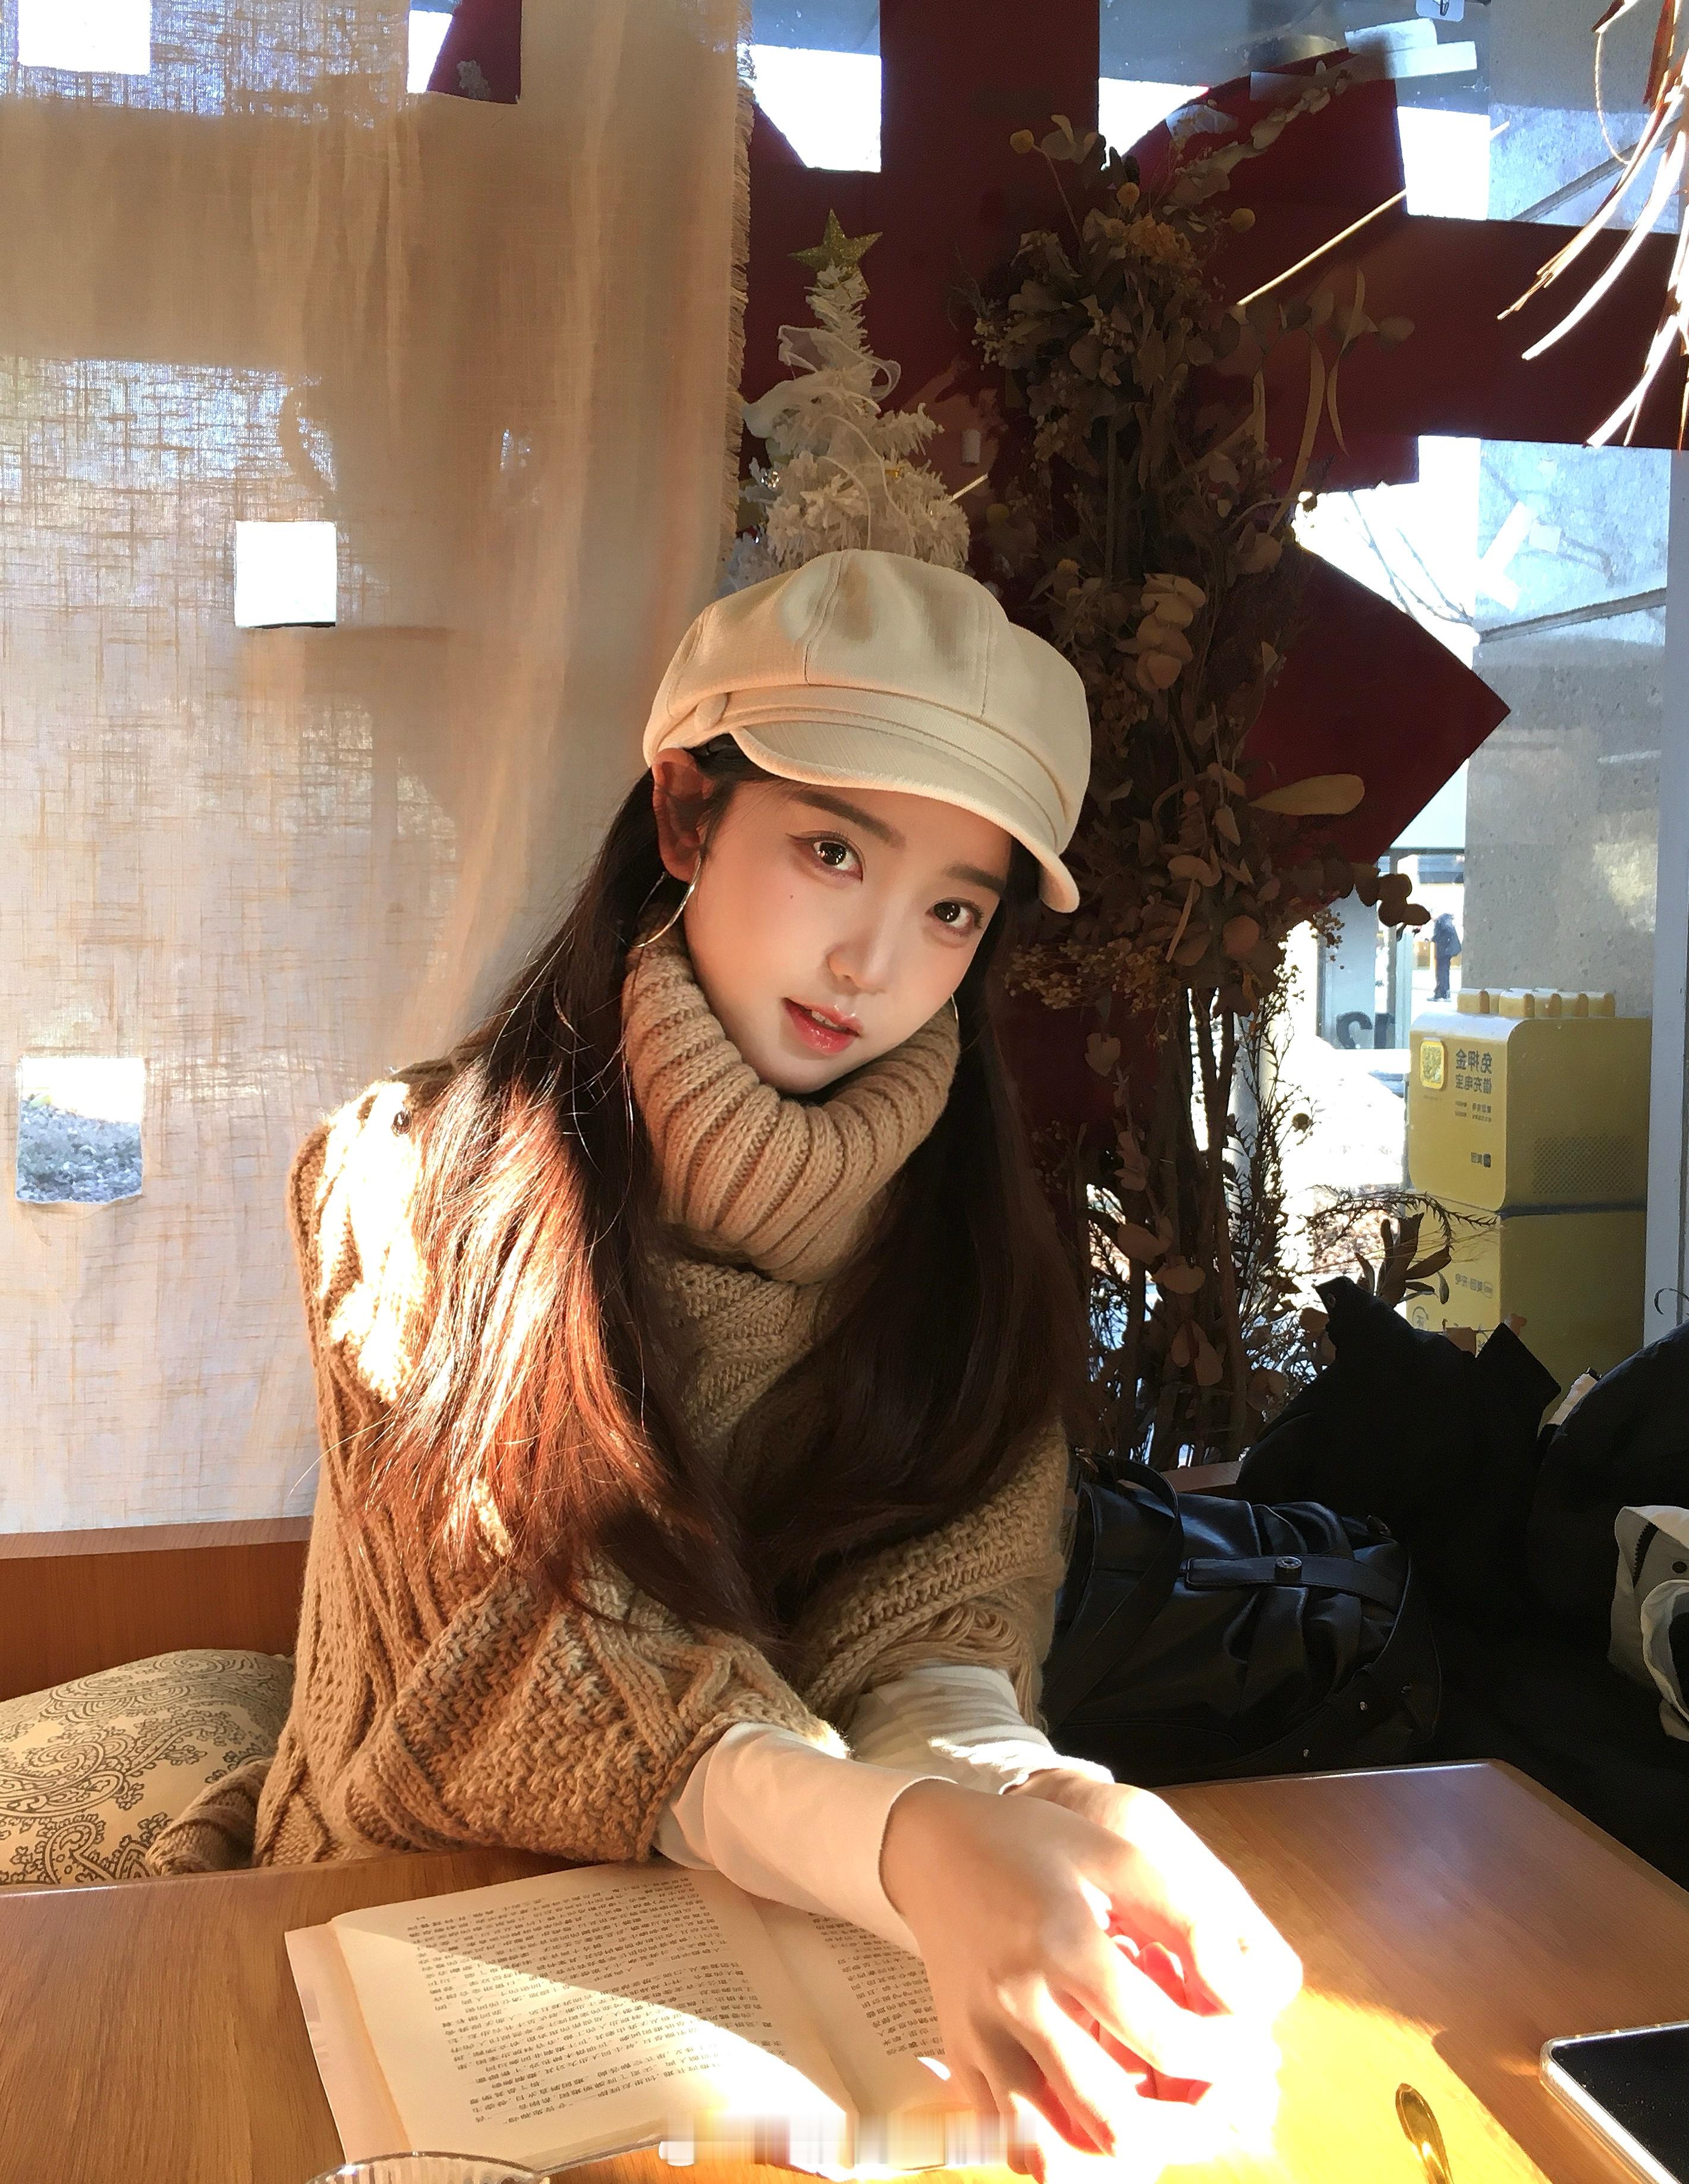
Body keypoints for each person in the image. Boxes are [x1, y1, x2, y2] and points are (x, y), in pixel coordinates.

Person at [150, 549, 1300, 2174]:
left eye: (952, 908)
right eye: (833, 851)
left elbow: (930, 1633)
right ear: (687, 816)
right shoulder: (402, 1183)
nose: (874, 962)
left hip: (776, 1931)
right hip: (410, 1918)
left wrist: (1021, 1799)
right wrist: (916, 1846)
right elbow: (533, 1669)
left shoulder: (970, 1249)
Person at [1432, 911, 1462, 1003]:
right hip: (1445, 951)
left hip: (1445, 951)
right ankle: (1442, 993)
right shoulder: (1444, 919)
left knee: (1442, 972)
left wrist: (1436, 938)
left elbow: (1448, 931)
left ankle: (1443, 993)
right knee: (1443, 971)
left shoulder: (1442, 920)